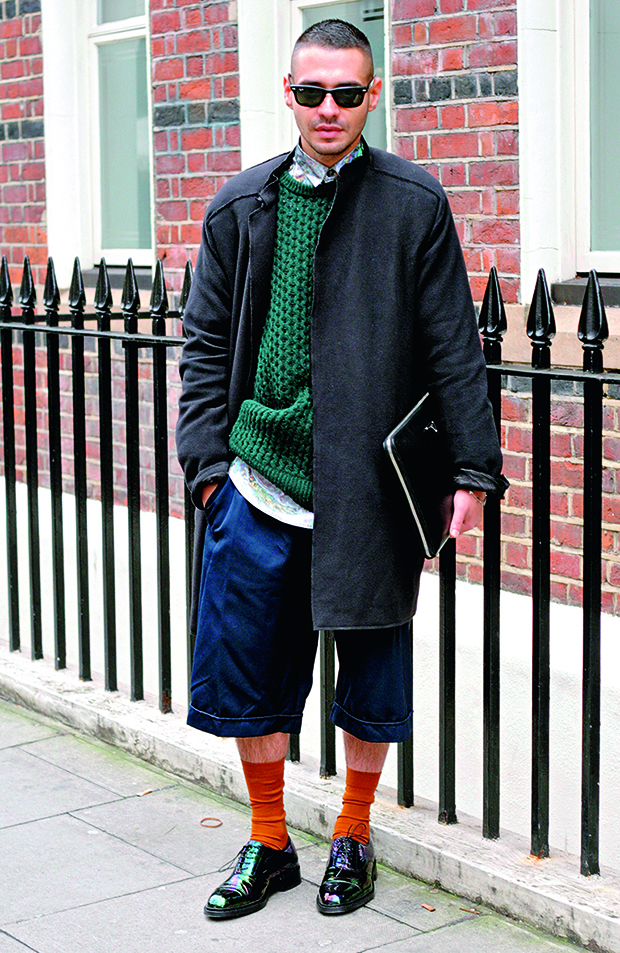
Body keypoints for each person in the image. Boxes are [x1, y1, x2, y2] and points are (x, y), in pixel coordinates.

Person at [177, 18, 507, 920]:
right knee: (248, 675)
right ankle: (272, 839)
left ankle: (353, 834)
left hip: (367, 492)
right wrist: (208, 468)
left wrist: (473, 473)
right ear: (288, 93)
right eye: (313, 91)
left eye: (348, 93)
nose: (330, 108)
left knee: (372, 677)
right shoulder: (239, 207)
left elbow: (453, 347)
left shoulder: (413, 202)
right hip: (252, 485)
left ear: (371, 96)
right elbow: (204, 345)